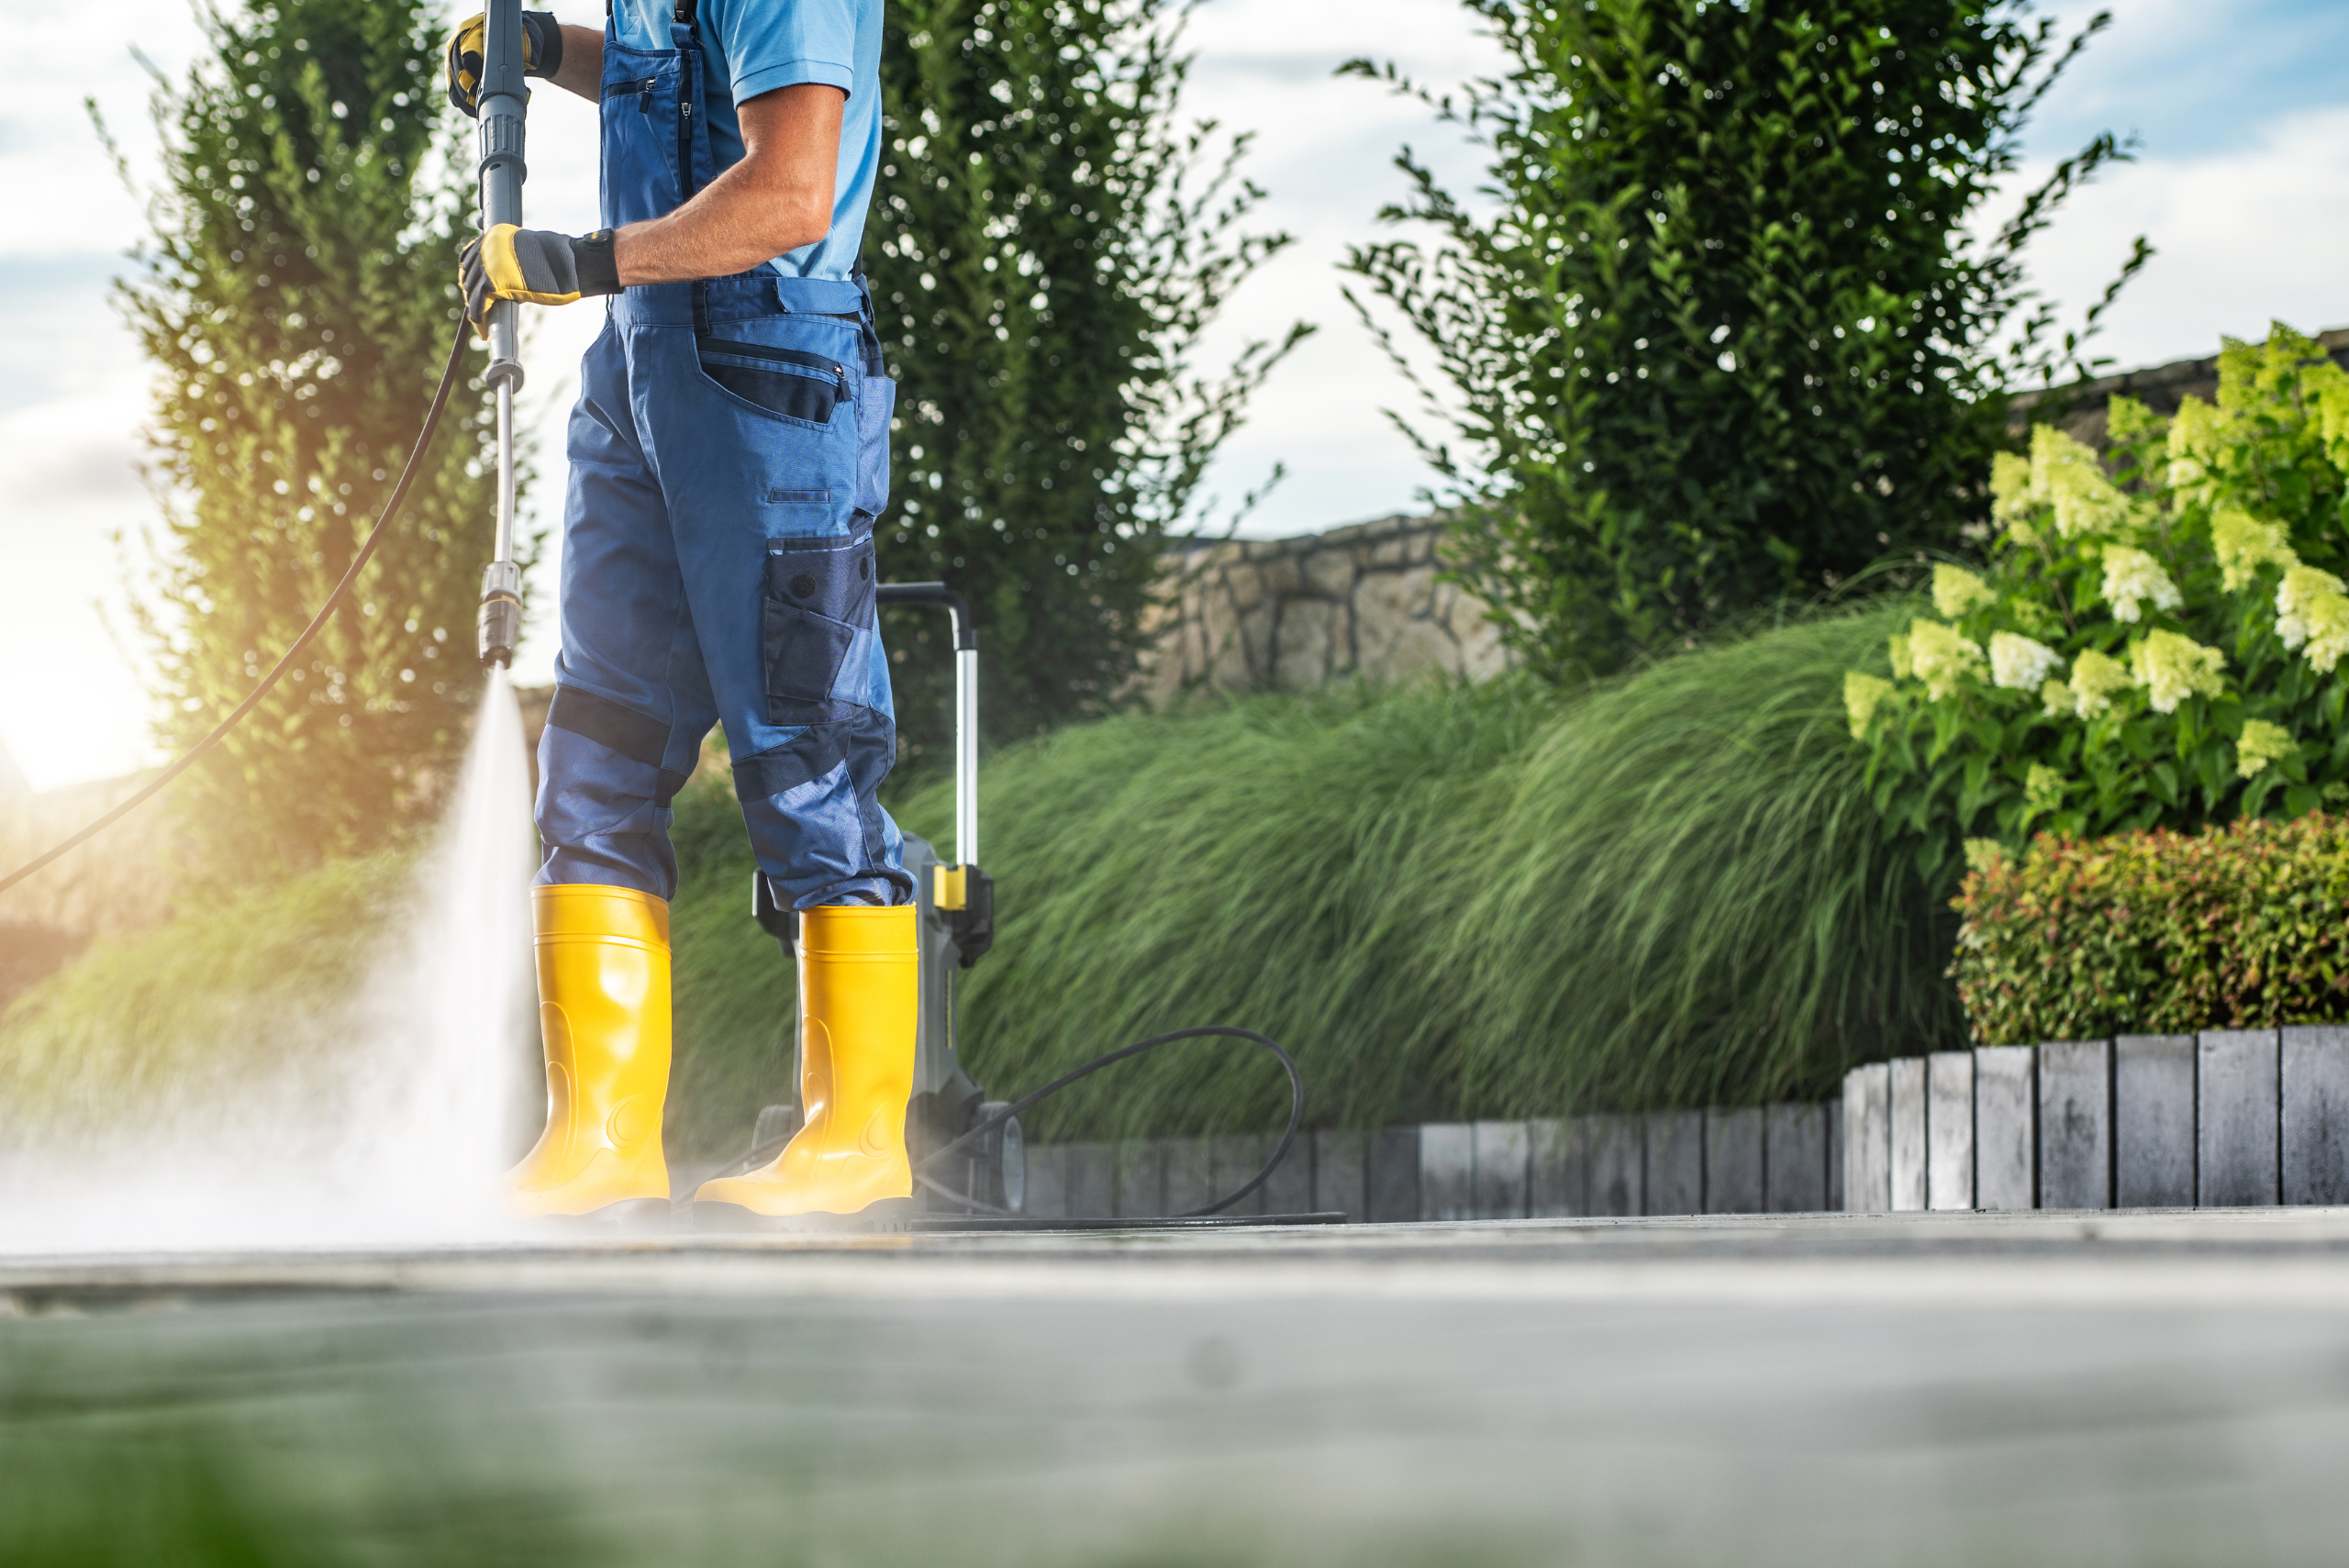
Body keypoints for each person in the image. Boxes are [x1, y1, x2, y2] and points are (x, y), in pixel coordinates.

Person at [445, 0, 917, 1230]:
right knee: (594, 756)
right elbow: (678, 89)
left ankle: (859, 1138)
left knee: (804, 750)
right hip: (639, 364)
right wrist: (549, 53)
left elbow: (790, 194)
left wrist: (582, 259)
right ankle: (595, 1141)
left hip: (767, 360)